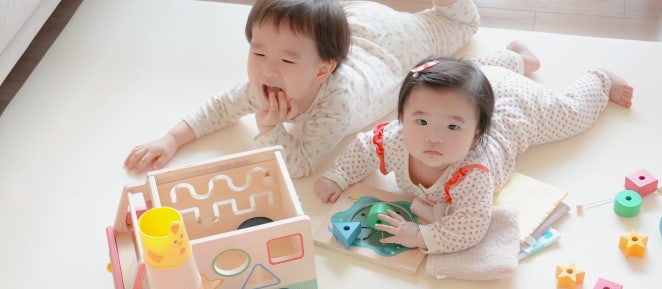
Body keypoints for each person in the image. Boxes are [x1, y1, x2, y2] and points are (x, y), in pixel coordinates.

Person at [313, 44, 633, 254]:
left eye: (452, 128)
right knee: (471, 70)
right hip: (478, 83)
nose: (434, 138)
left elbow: (471, 226)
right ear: (402, 118)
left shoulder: (472, 174)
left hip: (516, 107)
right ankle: (519, 58)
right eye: (421, 121)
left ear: (477, 133)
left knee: (571, 116)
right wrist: (338, 175)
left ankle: (600, 79)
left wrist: (419, 236)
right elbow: (364, 147)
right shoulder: (396, 138)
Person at [124, 0, 480, 178]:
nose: (267, 69)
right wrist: (170, 139)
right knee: (320, 20)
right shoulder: (268, 82)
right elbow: (220, 107)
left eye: (286, 60)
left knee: (462, 26)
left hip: (397, 47)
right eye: (258, 52)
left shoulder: (336, 103)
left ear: (322, 71)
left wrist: (270, 129)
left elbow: (304, 164)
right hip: (357, 20)